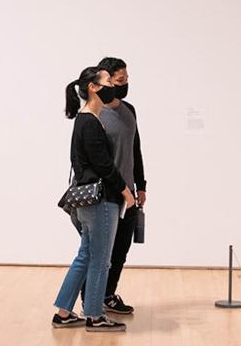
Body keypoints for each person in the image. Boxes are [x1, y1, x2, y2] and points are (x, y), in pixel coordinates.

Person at [52, 67, 136, 332]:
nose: (113, 84)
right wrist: (126, 192)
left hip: (91, 202)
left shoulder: (86, 119)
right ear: (93, 87)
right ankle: (95, 316)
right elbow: (104, 166)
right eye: (108, 81)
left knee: (86, 255)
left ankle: (64, 313)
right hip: (100, 202)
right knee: (101, 259)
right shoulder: (89, 121)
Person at [93, 56, 148, 314]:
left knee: (121, 250)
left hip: (128, 194)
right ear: (105, 80)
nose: (125, 85)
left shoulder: (130, 111)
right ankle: (90, 301)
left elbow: (135, 150)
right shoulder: (94, 113)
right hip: (104, 194)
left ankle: (107, 295)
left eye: (127, 80)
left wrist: (141, 185)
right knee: (99, 254)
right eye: (119, 80)